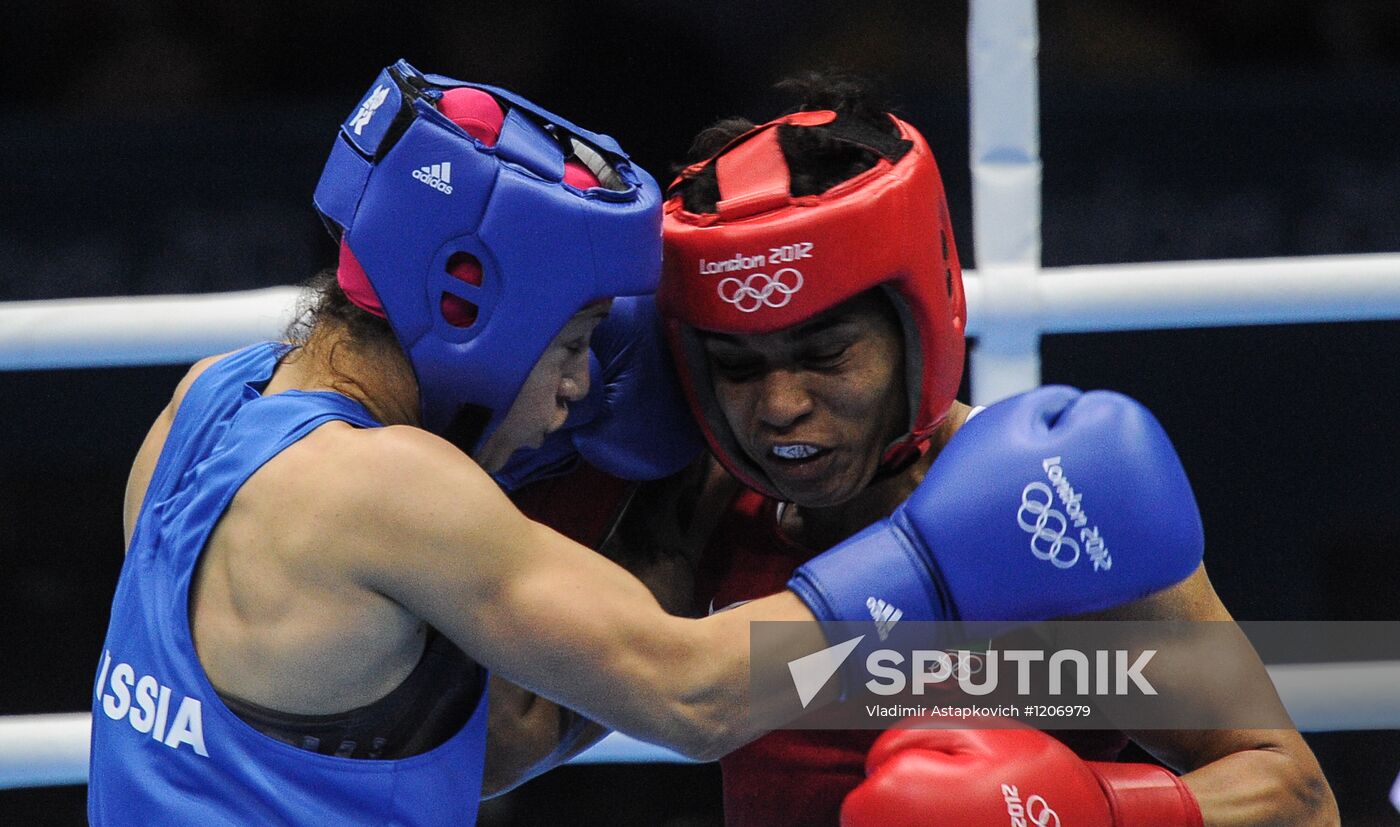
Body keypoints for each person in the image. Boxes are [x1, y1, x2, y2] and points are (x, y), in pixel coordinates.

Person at [87, 60, 1206, 825]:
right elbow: (693, 698)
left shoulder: (210, 400)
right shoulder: (388, 487)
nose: (583, 387)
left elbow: (471, 737)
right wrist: (931, 560)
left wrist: (671, 515)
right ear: (469, 299)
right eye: (575, 338)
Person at [493, 75, 1339, 824]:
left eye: (827, 356)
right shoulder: (705, 496)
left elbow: (1294, 796)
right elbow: (509, 745)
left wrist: (1099, 812)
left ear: (918, 330)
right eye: (738, 366)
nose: (782, 406)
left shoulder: (1050, 508)